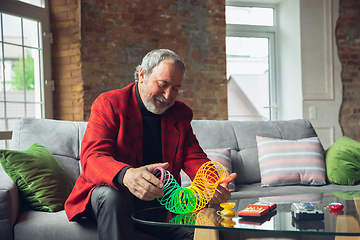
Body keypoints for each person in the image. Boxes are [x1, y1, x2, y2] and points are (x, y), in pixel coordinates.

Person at [64, 49, 237, 240]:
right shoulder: (109, 104)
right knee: (114, 197)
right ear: (142, 75)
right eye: (163, 84)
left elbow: (195, 158)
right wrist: (127, 175)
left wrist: (215, 183)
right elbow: (92, 157)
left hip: (160, 205)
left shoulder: (180, 114)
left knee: (205, 234)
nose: (168, 95)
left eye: (176, 88)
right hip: (112, 196)